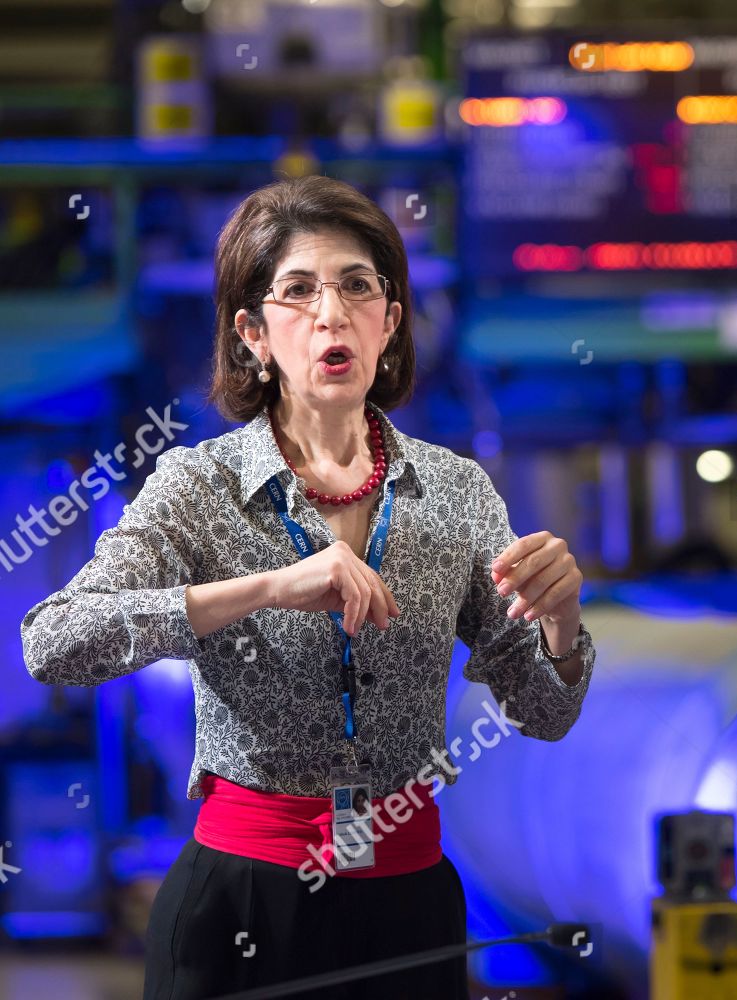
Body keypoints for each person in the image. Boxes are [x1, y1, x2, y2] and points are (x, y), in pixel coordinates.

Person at [20, 175, 597, 999]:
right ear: (253, 333)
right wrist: (264, 589)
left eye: (358, 287)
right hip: (241, 902)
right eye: (298, 291)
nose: (332, 313)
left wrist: (563, 627)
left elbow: (545, 713)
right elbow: (53, 641)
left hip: (410, 903)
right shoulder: (198, 485)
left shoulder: (459, 492)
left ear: (390, 322)